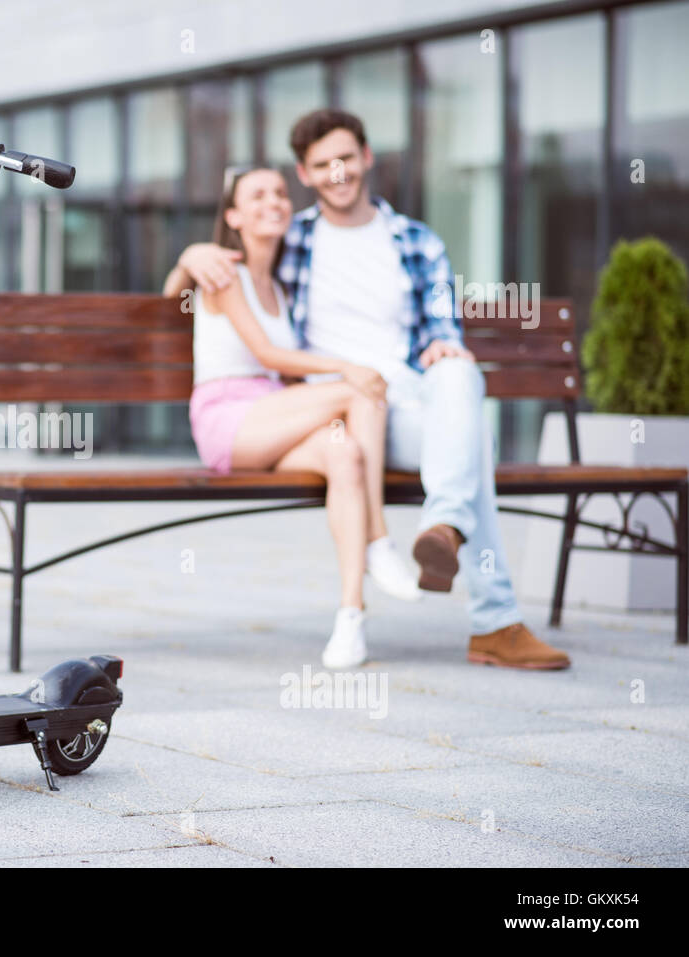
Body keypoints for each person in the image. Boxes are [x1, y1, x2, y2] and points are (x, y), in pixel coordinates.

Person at [166, 108, 570, 671]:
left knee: (460, 374)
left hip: (407, 405)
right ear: (305, 175)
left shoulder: (415, 240)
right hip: (334, 406)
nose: (337, 173)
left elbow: (440, 324)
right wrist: (190, 255)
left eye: (346, 159)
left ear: (367, 158)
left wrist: (443, 345)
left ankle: (444, 526)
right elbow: (228, 264)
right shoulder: (292, 238)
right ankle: (494, 620)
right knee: (472, 441)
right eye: (322, 164)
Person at [162, 164, 422, 670]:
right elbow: (265, 351)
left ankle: (351, 617)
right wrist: (187, 256)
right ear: (233, 215)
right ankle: (380, 540)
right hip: (227, 420)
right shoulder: (222, 272)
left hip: (271, 415)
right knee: (360, 387)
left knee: (344, 453)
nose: (273, 202)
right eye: (256, 195)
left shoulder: (282, 289)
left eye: (280, 193)